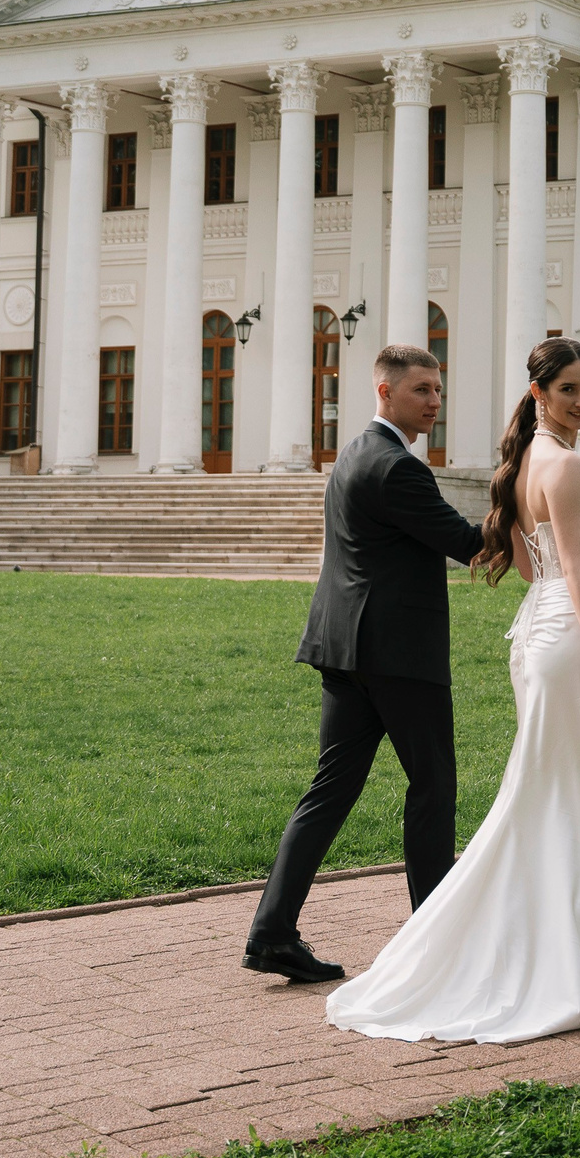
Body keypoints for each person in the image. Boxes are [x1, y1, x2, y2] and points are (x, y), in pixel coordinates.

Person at [325, 338, 580, 1044]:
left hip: (548, 632)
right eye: (568, 388)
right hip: (569, 638)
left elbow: (542, 568)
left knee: (568, 793)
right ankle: (558, 962)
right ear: (538, 393)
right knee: (564, 795)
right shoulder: (559, 462)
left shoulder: (532, 457)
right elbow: (570, 570)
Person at [243, 343, 485, 985]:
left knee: (329, 792)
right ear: (385, 392)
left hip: (343, 648)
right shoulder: (397, 468)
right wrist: (533, 493)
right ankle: (434, 943)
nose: (435, 402)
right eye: (422, 391)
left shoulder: (354, 452)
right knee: (433, 788)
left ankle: (272, 934)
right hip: (397, 655)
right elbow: (467, 543)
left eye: (438, 390)